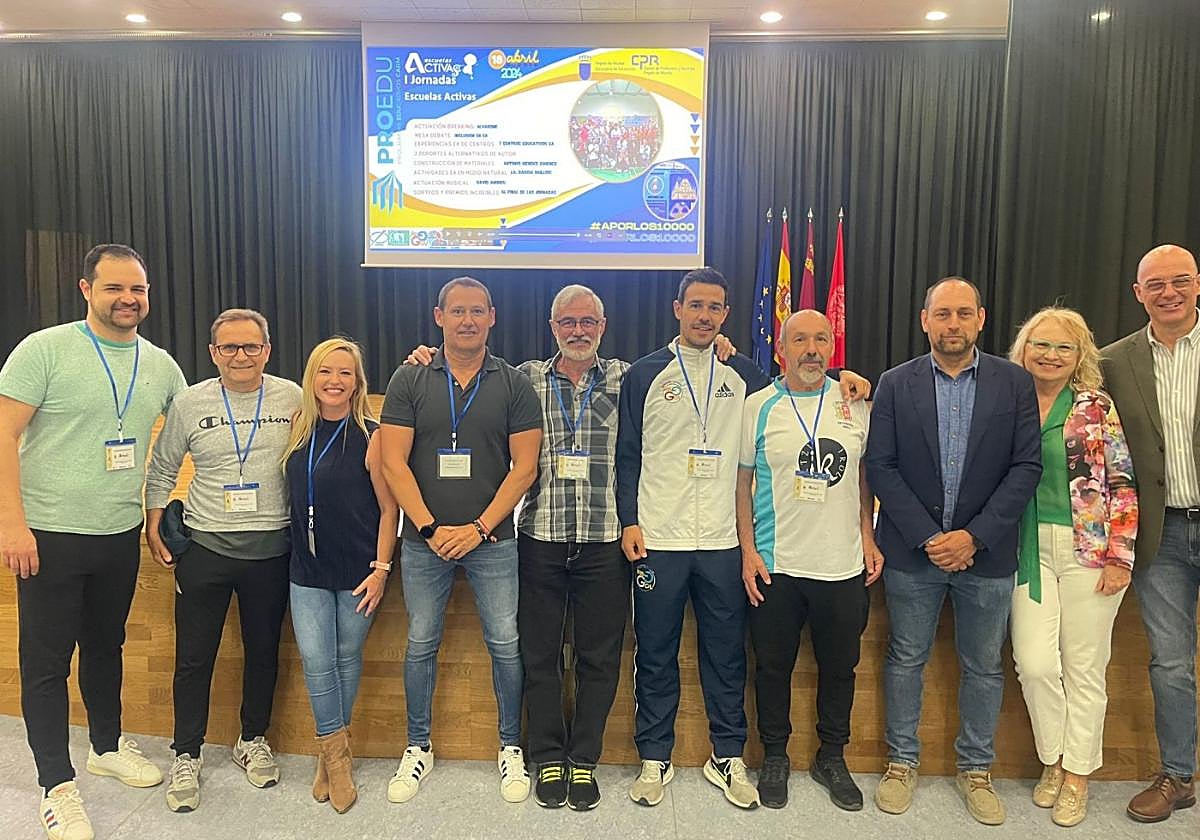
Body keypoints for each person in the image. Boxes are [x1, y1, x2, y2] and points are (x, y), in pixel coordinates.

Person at [401, 285, 739, 811]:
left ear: (602, 327)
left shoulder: (631, 377)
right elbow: (465, 369)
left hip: (606, 541)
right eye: (567, 322)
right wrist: (425, 357)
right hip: (540, 537)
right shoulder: (523, 379)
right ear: (552, 326)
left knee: (598, 658)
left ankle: (584, 758)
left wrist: (719, 348)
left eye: (588, 322)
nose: (578, 330)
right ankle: (548, 755)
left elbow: (688, 365)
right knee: (539, 655)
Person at [616, 267, 869, 811]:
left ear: (726, 314)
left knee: (726, 653)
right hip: (660, 535)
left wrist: (847, 374)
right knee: (655, 652)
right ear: (677, 308)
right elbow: (628, 454)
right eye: (696, 305)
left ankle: (726, 754)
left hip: (725, 542)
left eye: (716, 307)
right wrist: (629, 520)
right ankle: (654, 756)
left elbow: (805, 387)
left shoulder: (745, 375)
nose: (705, 316)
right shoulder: (644, 374)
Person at [0, 244, 185, 840]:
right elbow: (3, 437)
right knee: (46, 664)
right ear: (87, 290)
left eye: (138, 289)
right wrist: (11, 522)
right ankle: (56, 784)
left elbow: (200, 420)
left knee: (106, 649)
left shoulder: (159, 364)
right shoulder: (44, 350)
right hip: (47, 534)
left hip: (117, 533)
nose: (128, 299)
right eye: (115, 288)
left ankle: (105, 746)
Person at [865, 276, 1041, 826]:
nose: (953, 325)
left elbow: (1025, 468)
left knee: (984, 667)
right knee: (905, 659)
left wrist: (973, 536)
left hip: (984, 556)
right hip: (914, 555)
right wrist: (929, 537)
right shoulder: (895, 384)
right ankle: (900, 762)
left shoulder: (1015, 384)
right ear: (925, 321)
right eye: (943, 315)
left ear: (981, 320)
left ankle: (977, 769)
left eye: (964, 314)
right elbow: (882, 467)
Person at [379, 276, 542, 805]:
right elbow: (392, 463)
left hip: (493, 543)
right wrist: (428, 528)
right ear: (439, 316)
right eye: (458, 311)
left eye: (478, 311)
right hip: (424, 543)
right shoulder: (410, 378)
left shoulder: (515, 383)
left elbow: (525, 469)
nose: (467, 320)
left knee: (505, 644)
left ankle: (511, 746)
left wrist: (476, 529)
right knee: (421, 642)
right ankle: (418, 745)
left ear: (492, 317)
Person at [144, 308, 301, 813]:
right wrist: (152, 522)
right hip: (205, 549)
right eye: (229, 347)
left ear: (267, 350)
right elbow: (163, 466)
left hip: (271, 551)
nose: (241, 356)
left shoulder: (293, 398)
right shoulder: (190, 403)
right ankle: (186, 753)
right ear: (213, 353)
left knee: (262, 653)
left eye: (251, 346)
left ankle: (251, 738)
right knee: (194, 658)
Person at [737, 310, 883, 812]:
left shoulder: (854, 401)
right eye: (800, 339)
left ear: (832, 346)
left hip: (841, 565)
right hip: (777, 564)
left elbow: (865, 477)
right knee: (773, 667)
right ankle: (774, 755)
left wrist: (868, 535)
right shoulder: (758, 406)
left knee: (840, 668)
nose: (812, 349)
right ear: (782, 348)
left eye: (822, 338)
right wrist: (748, 551)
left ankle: (831, 756)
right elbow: (741, 482)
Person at [1006, 306, 1137, 827]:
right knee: (1035, 664)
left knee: (1084, 668)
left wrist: (1121, 557)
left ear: (1079, 355)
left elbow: (1122, 481)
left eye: (1064, 347)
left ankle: (1074, 774)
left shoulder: (1094, 407)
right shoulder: (1007, 401)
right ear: (1024, 348)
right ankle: (1053, 756)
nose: (1051, 355)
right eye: (1042, 344)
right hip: (1024, 550)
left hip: (1090, 552)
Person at [1100, 244, 1200, 823]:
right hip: (1160, 536)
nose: (1168, 292)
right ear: (1138, 293)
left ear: (1196, 284)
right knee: (1170, 661)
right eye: (1154, 284)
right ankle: (1179, 775)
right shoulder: (1114, 362)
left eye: (1179, 281)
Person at [281, 338, 400, 813]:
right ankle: (335, 755)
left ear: (358, 381)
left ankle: (332, 758)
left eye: (345, 373)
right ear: (312, 377)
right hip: (306, 568)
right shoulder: (296, 430)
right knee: (316, 660)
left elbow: (390, 510)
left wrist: (381, 570)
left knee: (347, 657)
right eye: (326, 371)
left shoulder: (374, 436)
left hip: (358, 568)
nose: (334, 381)